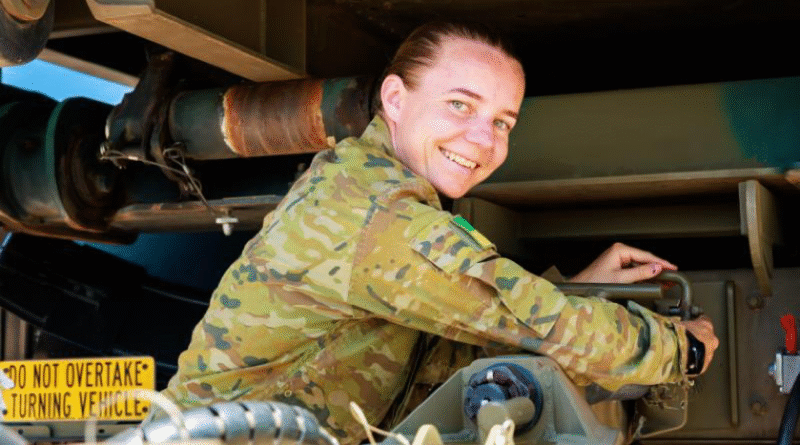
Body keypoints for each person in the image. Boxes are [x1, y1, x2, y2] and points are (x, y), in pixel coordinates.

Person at [162, 21, 719, 444]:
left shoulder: (371, 183)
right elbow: (526, 318)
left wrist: (571, 292)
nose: (482, 139)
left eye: (502, 122)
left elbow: (450, 354)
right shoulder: (376, 214)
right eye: (459, 105)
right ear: (396, 100)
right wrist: (678, 350)